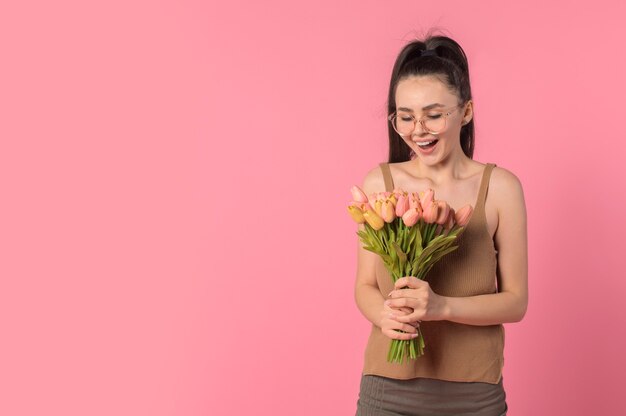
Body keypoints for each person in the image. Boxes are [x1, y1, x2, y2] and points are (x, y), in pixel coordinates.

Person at [354, 33, 528, 416]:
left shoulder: (500, 189)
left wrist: (441, 306)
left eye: (434, 115)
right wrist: (383, 314)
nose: (418, 129)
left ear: (466, 112)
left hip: (474, 396)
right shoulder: (380, 185)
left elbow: (516, 302)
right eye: (405, 116)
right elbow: (365, 286)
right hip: (386, 389)